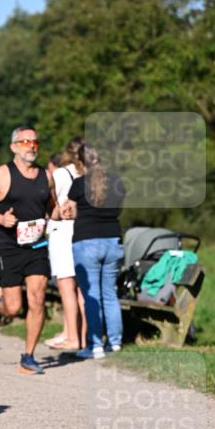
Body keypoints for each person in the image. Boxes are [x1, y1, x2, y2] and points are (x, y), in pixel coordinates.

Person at [0, 126, 59, 375]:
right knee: (14, 307)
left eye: (34, 142)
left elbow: (52, 209)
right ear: (13, 147)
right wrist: (1, 219)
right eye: (24, 142)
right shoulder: (2, 174)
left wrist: (62, 213)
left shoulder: (46, 176)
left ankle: (29, 355)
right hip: (8, 245)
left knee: (38, 298)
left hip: (37, 245)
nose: (31, 146)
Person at [63, 142, 126, 359]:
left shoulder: (78, 184)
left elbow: (68, 210)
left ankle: (95, 345)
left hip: (86, 242)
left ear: (80, 163)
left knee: (92, 296)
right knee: (110, 294)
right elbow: (118, 209)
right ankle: (115, 343)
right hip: (113, 240)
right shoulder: (117, 182)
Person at [45, 136, 87, 352]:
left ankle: (72, 337)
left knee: (66, 287)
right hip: (85, 230)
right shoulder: (91, 173)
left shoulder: (61, 174)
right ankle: (84, 336)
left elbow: (51, 202)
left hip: (63, 232)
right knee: (82, 289)